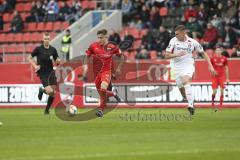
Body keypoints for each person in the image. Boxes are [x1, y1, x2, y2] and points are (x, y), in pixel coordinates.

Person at [165, 25, 216, 115]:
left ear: (183, 33)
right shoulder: (173, 41)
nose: (175, 36)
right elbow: (166, 55)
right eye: (175, 34)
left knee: (186, 80)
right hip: (175, 67)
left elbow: (203, 53)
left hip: (188, 65)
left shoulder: (193, 42)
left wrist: (210, 66)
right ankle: (189, 99)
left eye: (177, 34)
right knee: (182, 90)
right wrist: (176, 54)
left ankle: (190, 105)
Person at [83, 29, 123, 117]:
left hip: (106, 72)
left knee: (103, 89)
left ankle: (100, 110)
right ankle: (113, 94)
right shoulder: (93, 46)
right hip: (96, 73)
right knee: (102, 94)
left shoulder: (112, 47)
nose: (99, 40)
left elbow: (121, 56)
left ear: (106, 37)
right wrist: (85, 66)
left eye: (101, 38)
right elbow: (87, 56)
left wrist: (119, 67)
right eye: (98, 38)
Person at [27, 33, 61, 115]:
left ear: (50, 39)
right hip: (43, 73)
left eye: (48, 39)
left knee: (53, 93)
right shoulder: (38, 49)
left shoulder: (53, 50)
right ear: (43, 39)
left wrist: (58, 61)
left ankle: (46, 110)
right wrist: (35, 66)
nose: (46, 40)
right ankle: (42, 90)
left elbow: (57, 61)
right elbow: (29, 58)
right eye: (45, 39)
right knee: (49, 91)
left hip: (51, 72)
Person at [211, 47, 229, 111]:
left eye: (219, 50)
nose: (218, 51)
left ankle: (220, 106)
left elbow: (226, 68)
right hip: (214, 77)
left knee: (222, 91)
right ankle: (212, 103)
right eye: (217, 50)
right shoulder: (212, 58)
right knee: (214, 92)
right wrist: (212, 71)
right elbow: (209, 67)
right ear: (215, 51)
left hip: (221, 77)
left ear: (221, 51)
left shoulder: (224, 58)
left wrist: (227, 78)